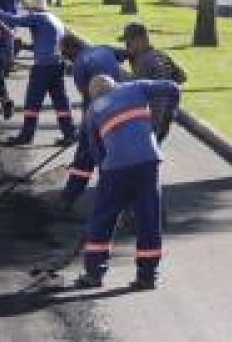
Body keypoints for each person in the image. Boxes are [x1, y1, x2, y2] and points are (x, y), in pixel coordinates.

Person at [74, 74, 181, 290]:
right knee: (148, 218)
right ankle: (147, 276)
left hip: (116, 169)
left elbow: (95, 151)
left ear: (94, 95)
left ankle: (94, 273)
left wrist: (106, 174)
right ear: (115, 85)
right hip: (148, 163)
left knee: (103, 219)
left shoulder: (93, 111)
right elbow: (172, 88)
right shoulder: (135, 87)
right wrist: (170, 113)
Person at [0, 0, 76, 146]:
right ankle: (69, 133)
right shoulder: (55, 20)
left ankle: (26, 135)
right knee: (60, 102)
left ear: (34, 9)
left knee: (32, 102)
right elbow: (47, 44)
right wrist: (25, 46)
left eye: (30, 10)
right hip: (57, 65)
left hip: (42, 68)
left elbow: (15, 20)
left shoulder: (38, 17)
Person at [57, 35, 128, 211]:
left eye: (66, 53)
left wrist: (86, 129)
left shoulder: (79, 66)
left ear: (73, 49)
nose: (66, 57)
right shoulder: (104, 48)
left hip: (102, 111)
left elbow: (89, 100)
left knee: (85, 157)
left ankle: (69, 198)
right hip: (121, 109)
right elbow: (127, 54)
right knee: (120, 157)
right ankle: (126, 206)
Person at [120, 22, 187, 142]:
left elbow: (132, 94)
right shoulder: (161, 55)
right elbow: (182, 76)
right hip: (167, 115)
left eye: (129, 42)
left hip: (152, 117)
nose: (127, 46)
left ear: (140, 40)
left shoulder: (144, 62)